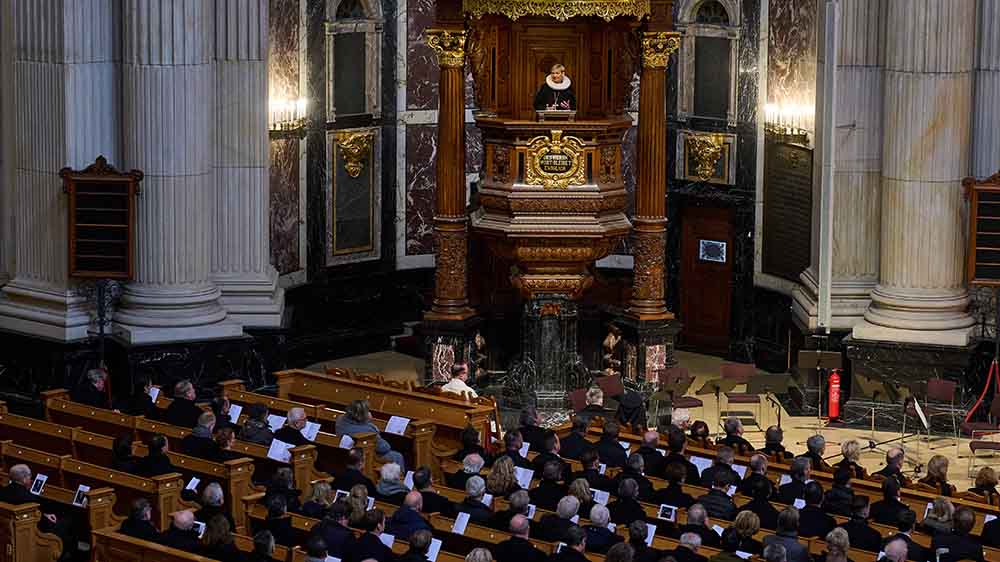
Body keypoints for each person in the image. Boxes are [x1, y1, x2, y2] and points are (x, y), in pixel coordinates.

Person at [336, 399, 406, 469]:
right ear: (361, 416)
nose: (369, 413)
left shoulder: (340, 419)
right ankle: (398, 478)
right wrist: (369, 423)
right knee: (397, 456)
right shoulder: (367, 429)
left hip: (344, 452)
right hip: (365, 455)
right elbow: (384, 448)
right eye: (367, 411)